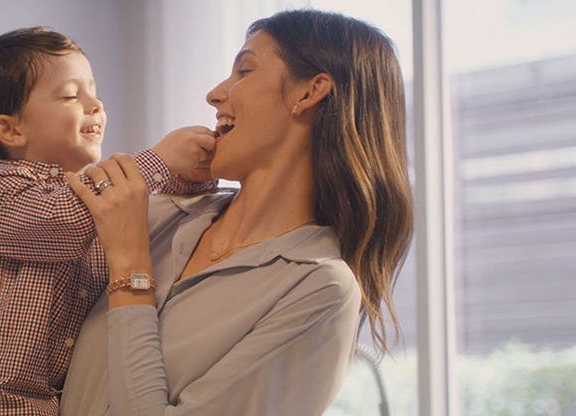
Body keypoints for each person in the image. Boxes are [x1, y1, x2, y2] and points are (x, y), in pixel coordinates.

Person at [61, 9, 413, 415]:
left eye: (244, 71)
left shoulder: (319, 288)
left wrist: (130, 266)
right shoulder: (162, 217)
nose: (215, 93)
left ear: (308, 92)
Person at [0, 27, 216, 416]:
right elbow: (66, 221)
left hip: (51, 402)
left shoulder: (92, 190)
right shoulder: (3, 191)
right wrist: (161, 160)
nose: (94, 104)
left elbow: (151, 213)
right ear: (11, 129)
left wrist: (192, 175)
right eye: (70, 95)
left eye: (93, 90)